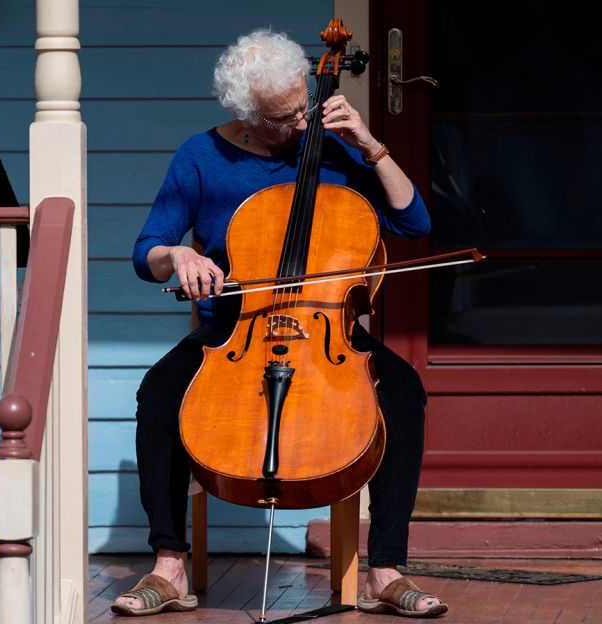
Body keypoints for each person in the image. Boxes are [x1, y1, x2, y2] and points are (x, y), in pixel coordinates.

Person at [111, 29, 449, 619]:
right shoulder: (201, 157)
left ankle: (386, 569)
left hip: (327, 327)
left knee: (404, 391)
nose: (302, 119)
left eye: (305, 104)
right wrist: (181, 256)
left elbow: (413, 223)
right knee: (158, 394)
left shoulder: (337, 146)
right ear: (246, 116)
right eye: (285, 116)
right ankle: (168, 566)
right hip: (232, 330)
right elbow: (148, 251)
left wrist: (370, 144)